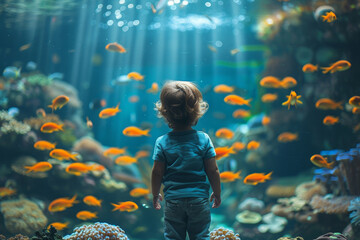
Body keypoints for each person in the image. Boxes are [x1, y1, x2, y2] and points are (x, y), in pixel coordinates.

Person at [151, 81, 221, 240]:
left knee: (173, 237)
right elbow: (213, 170)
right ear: (196, 111)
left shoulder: (162, 142)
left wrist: (155, 194)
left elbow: (157, 172)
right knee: (201, 236)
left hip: (173, 201)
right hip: (199, 200)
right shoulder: (204, 139)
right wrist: (217, 193)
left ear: (165, 112)